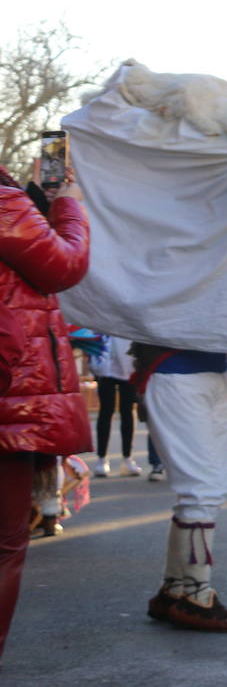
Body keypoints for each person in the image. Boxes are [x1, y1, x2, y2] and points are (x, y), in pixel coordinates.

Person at [0, 165, 91, 659]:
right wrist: (70, 203)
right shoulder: (3, 205)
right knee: (5, 543)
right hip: (11, 398)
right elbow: (64, 265)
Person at [137, 342, 227, 632]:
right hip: (175, 372)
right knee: (201, 488)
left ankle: (176, 588)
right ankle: (195, 595)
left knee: (207, 486)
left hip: (214, 368)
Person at [91, 334, 141, 477]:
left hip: (128, 366)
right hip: (106, 367)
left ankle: (127, 458)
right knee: (106, 412)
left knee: (128, 413)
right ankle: (102, 458)